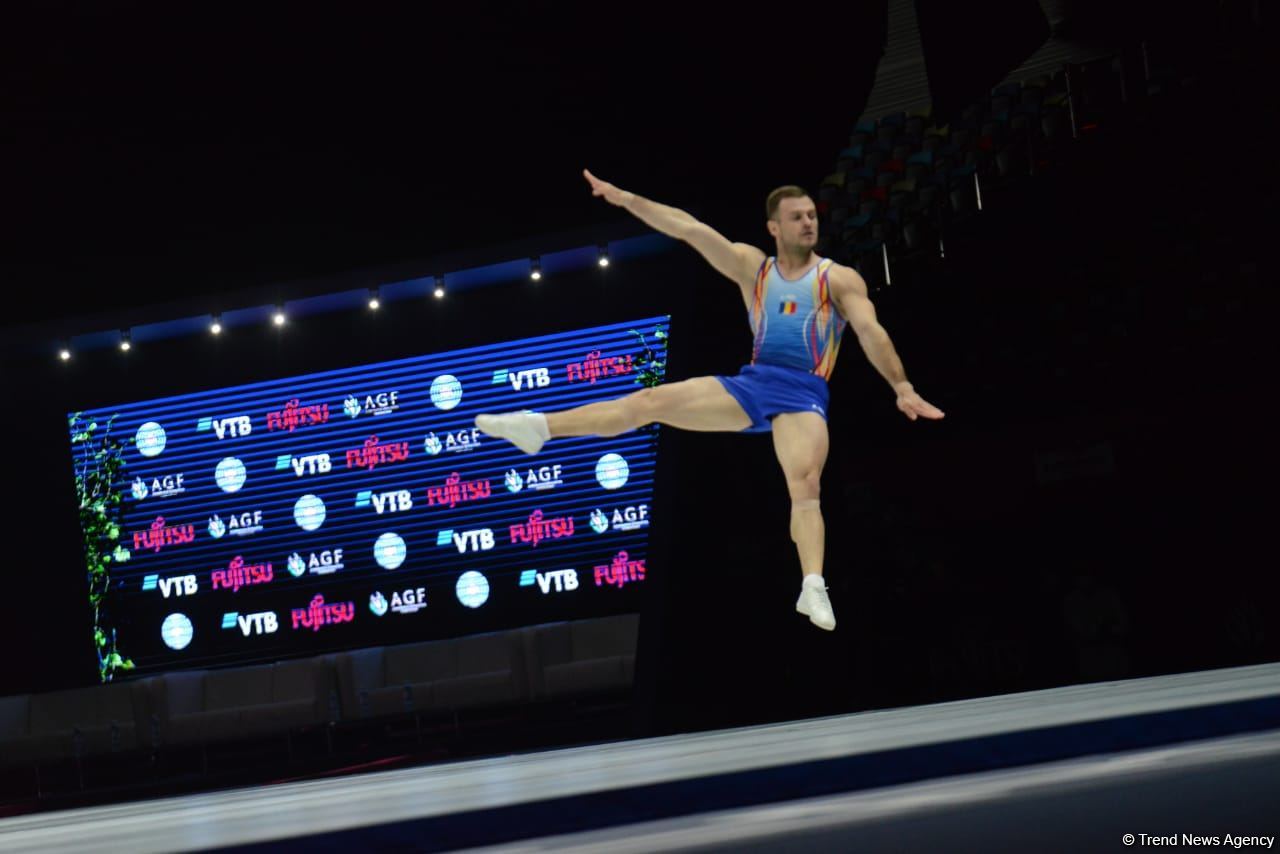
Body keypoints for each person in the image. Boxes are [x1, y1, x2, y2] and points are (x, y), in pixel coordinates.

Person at [476, 169, 945, 630]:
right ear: (774, 228)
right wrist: (625, 198)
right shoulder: (752, 267)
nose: (808, 223)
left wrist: (901, 386)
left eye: (811, 215)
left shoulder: (837, 279)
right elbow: (688, 229)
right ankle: (538, 427)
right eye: (797, 217)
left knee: (804, 484)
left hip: (802, 395)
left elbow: (870, 330)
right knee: (647, 402)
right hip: (751, 385)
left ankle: (813, 585)